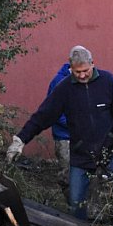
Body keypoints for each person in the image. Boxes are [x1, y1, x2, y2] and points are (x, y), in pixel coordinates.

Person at [6, 46, 113, 219]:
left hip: (111, 149)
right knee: (76, 201)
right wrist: (20, 140)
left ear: (92, 64)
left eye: (85, 71)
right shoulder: (64, 89)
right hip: (81, 153)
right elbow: (43, 116)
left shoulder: (108, 81)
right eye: (77, 72)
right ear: (70, 68)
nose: (82, 75)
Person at [47, 61, 71, 190]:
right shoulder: (59, 81)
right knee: (66, 173)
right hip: (64, 136)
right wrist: (73, 124)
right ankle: (70, 200)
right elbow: (54, 111)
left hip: (82, 136)